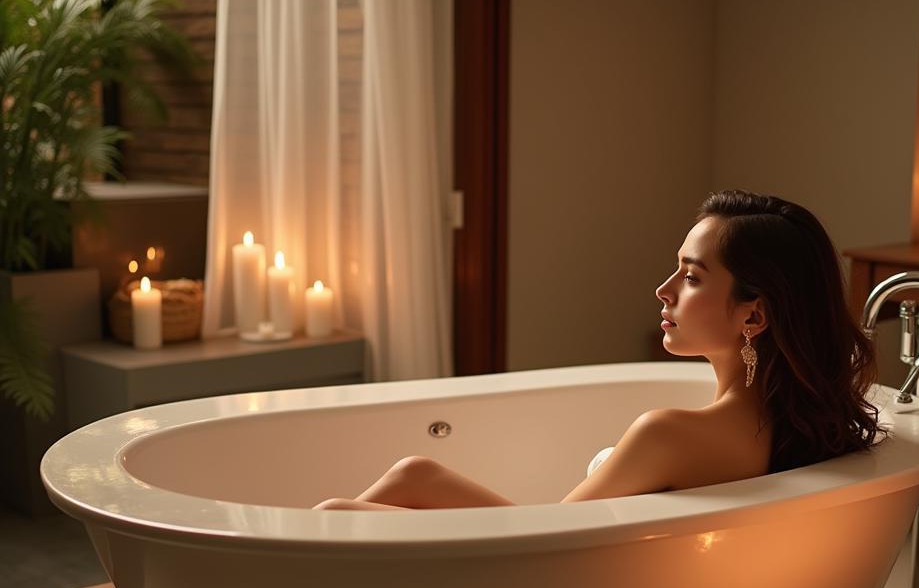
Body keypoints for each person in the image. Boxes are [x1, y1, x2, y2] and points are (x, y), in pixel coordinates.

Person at [313, 189, 882, 512]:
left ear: (753, 314)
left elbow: (558, 538)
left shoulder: (670, 432)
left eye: (691, 277)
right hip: (586, 571)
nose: (664, 290)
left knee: (336, 518)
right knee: (418, 473)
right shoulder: (788, 420)